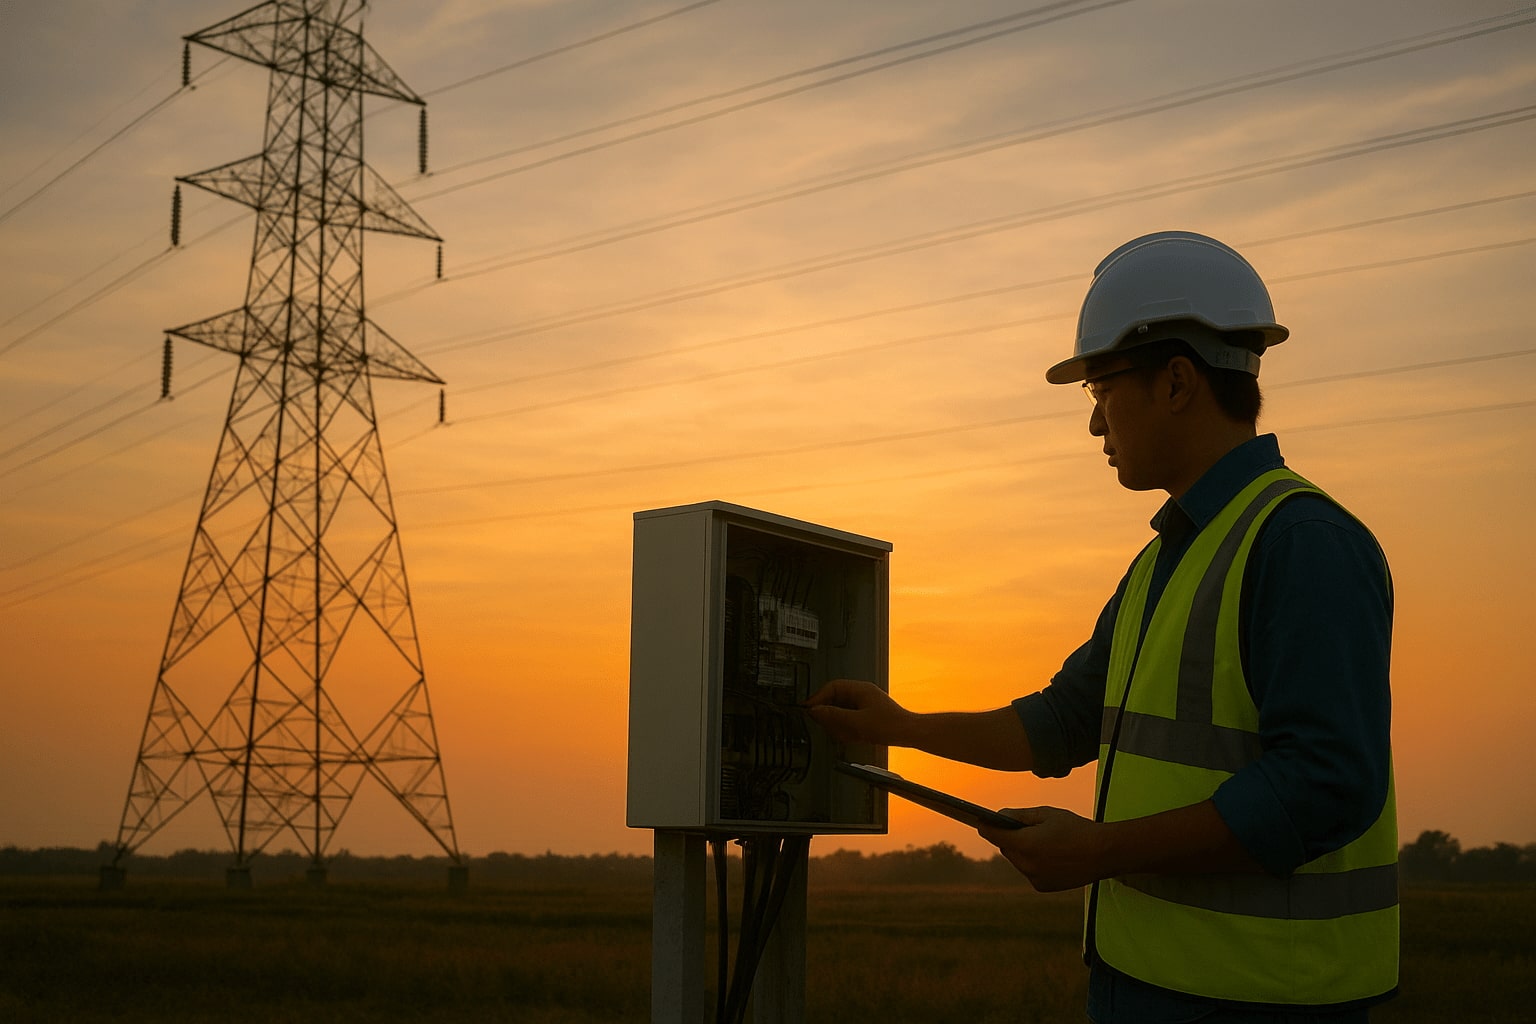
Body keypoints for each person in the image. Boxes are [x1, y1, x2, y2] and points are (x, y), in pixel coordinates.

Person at [806, 231, 1398, 1022]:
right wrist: (904, 727)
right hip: (1143, 986)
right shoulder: (1166, 561)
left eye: (1101, 390)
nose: (1094, 425)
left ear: (1179, 381)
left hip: (1265, 999)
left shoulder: (1303, 544)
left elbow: (1326, 786)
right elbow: (1061, 723)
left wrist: (1096, 852)